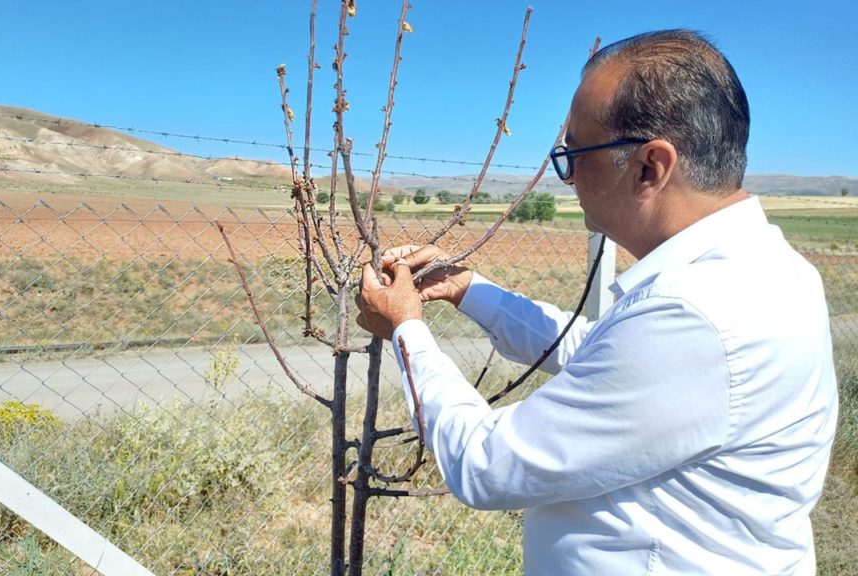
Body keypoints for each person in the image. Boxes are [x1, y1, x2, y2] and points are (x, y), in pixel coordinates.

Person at [355, 30, 838, 575]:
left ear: (650, 168)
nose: (568, 179)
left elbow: (487, 466)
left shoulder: (697, 315)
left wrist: (405, 331)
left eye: (575, 155)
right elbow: (605, 355)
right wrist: (470, 288)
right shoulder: (765, 272)